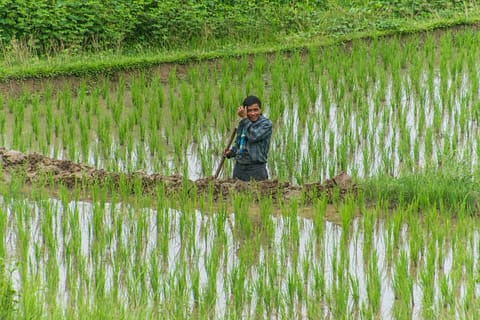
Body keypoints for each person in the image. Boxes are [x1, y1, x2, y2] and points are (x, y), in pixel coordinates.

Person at [223, 95, 272, 181]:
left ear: (260, 110)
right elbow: (239, 144)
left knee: (257, 193)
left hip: (256, 169)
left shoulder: (266, 124)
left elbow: (254, 136)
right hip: (239, 168)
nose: (253, 113)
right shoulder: (243, 124)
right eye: (249, 111)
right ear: (245, 111)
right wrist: (230, 153)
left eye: (256, 110)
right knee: (236, 193)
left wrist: (245, 119)